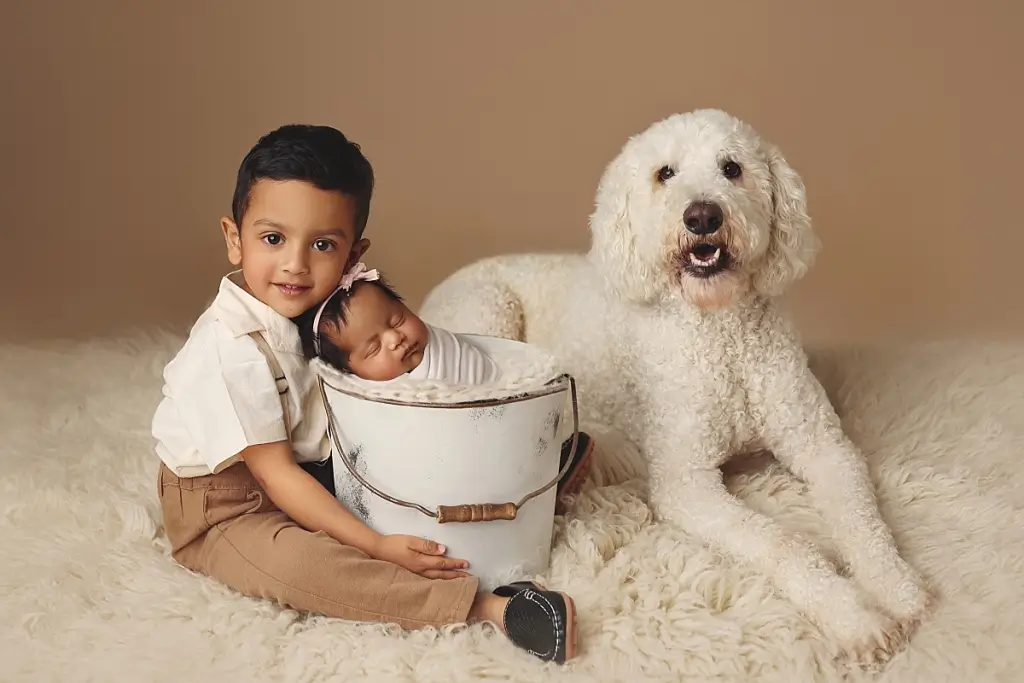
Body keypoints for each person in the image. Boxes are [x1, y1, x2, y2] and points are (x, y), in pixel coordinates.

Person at [151, 123, 578, 663]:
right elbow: (273, 474)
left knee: (413, 471)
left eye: (323, 244)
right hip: (227, 503)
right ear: (235, 238)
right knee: (306, 566)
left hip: (315, 466)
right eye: (273, 238)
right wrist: (373, 544)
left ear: (354, 253)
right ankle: (489, 607)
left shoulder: (323, 310)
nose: (296, 265)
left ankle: (532, 476)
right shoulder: (227, 350)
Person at [292, 263, 595, 510]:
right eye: (373, 348)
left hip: (497, 431)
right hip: (431, 474)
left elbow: (490, 383)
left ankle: (548, 476)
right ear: (351, 374)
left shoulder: (441, 348)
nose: (395, 339)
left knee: (521, 462)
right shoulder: (366, 395)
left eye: (397, 320)